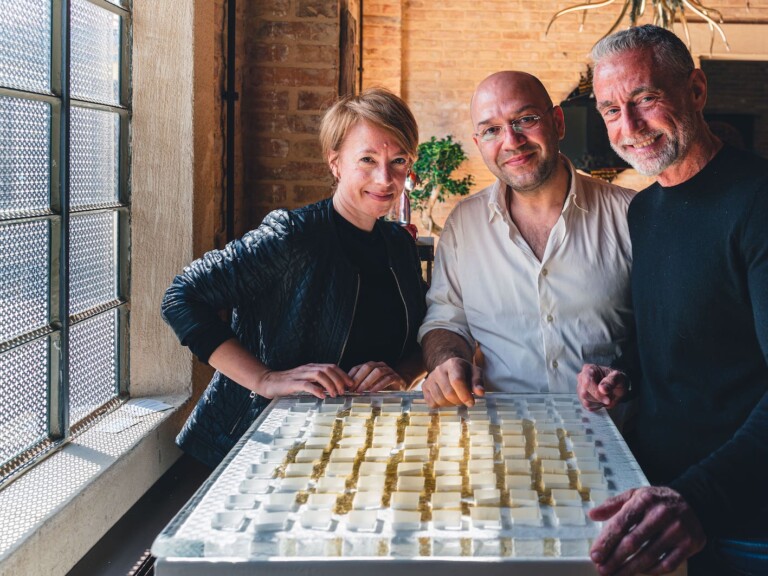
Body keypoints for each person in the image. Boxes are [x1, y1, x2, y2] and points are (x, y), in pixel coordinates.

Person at [578, 24, 768, 576]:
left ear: (697, 91)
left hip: (743, 519)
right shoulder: (645, 209)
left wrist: (698, 498)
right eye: (611, 109)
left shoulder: (758, 201)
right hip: (656, 495)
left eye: (645, 99)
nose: (629, 127)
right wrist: (622, 374)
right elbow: (676, 330)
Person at [162, 88, 427, 468]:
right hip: (254, 448)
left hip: (352, 449)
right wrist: (265, 379)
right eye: (367, 159)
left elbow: (423, 332)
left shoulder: (399, 245)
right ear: (335, 162)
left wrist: (401, 374)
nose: (385, 178)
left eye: (398, 160)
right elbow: (181, 297)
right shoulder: (293, 235)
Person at [418, 71, 636, 407]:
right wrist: (447, 362)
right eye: (492, 130)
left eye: (526, 119)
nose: (512, 140)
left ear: (558, 123)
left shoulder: (630, 215)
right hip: (501, 437)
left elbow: (663, 332)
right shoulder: (463, 224)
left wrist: (627, 375)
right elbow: (446, 320)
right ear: (479, 145)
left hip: (613, 438)